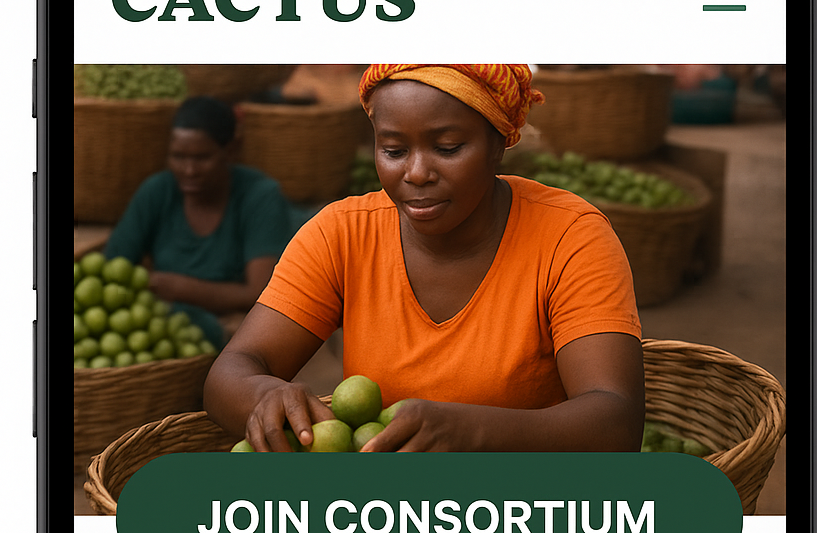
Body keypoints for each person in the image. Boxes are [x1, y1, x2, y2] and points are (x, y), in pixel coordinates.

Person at [203, 64, 644, 449]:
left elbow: (615, 422)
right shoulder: (341, 234)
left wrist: (471, 433)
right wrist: (264, 397)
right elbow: (231, 372)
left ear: (499, 142)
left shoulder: (570, 237)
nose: (415, 173)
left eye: (448, 148)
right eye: (393, 151)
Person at [104, 95, 303, 347]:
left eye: (202, 158)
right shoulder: (158, 191)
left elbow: (261, 293)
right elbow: (112, 268)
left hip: (234, 334)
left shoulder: (259, 197)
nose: (189, 170)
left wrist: (177, 288)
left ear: (230, 150)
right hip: (161, 330)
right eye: (178, 156)